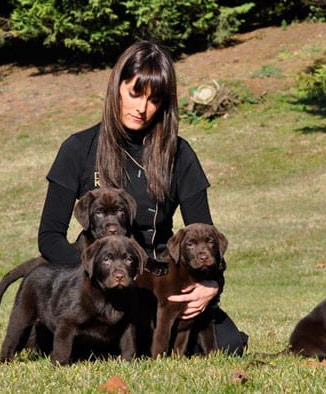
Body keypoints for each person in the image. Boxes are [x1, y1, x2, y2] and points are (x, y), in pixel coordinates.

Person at [37, 40, 248, 355]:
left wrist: (211, 286)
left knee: (229, 344)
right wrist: (92, 273)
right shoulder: (78, 149)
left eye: (154, 99)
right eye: (135, 93)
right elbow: (49, 236)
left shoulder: (179, 155)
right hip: (102, 288)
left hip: (158, 288)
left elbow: (206, 237)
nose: (142, 108)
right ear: (118, 87)